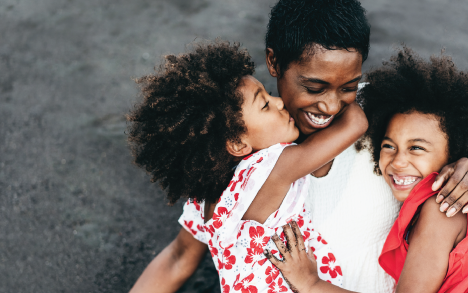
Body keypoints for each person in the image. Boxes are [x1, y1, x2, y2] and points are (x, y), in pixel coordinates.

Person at [129, 1, 468, 292]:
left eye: (349, 86)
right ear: (274, 62)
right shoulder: (228, 165)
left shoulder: (389, 122)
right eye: (315, 88)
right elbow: (180, 256)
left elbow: (452, 206)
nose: (332, 106)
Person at [264, 47, 468, 293]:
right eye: (388, 146)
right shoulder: (453, 210)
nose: (398, 162)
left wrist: (311, 285)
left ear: (453, 157)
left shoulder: (441, 212)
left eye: (417, 148)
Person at [127, 40, 368, 292]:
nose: (279, 103)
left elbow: (179, 257)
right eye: (264, 105)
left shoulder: (207, 196)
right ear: (238, 143)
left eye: (269, 95)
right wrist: (344, 87)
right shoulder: (272, 168)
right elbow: (355, 124)